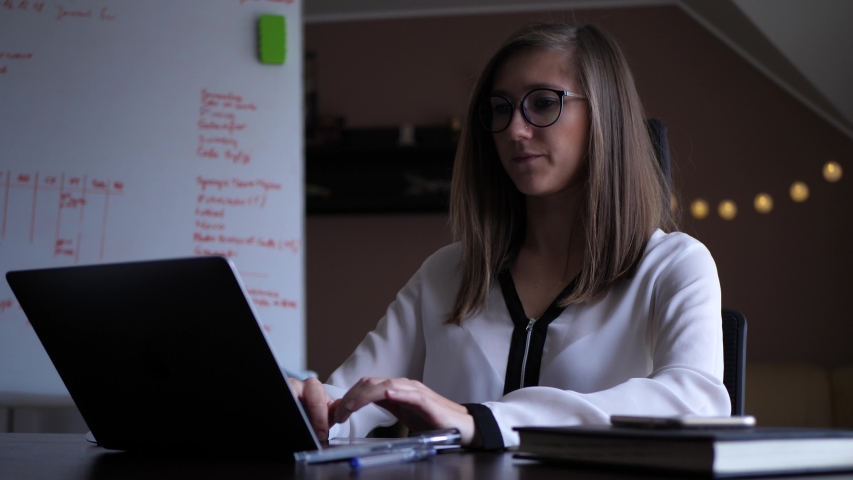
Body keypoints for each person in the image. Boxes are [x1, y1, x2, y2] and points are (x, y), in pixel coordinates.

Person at [289, 22, 730, 449]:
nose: (515, 130)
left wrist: (484, 421)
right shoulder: (447, 272)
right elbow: (345, 404)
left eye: (542, 103)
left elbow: (695, 403)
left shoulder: (674, 265)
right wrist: (306, 406)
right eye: (501, 108)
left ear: (605, 115)